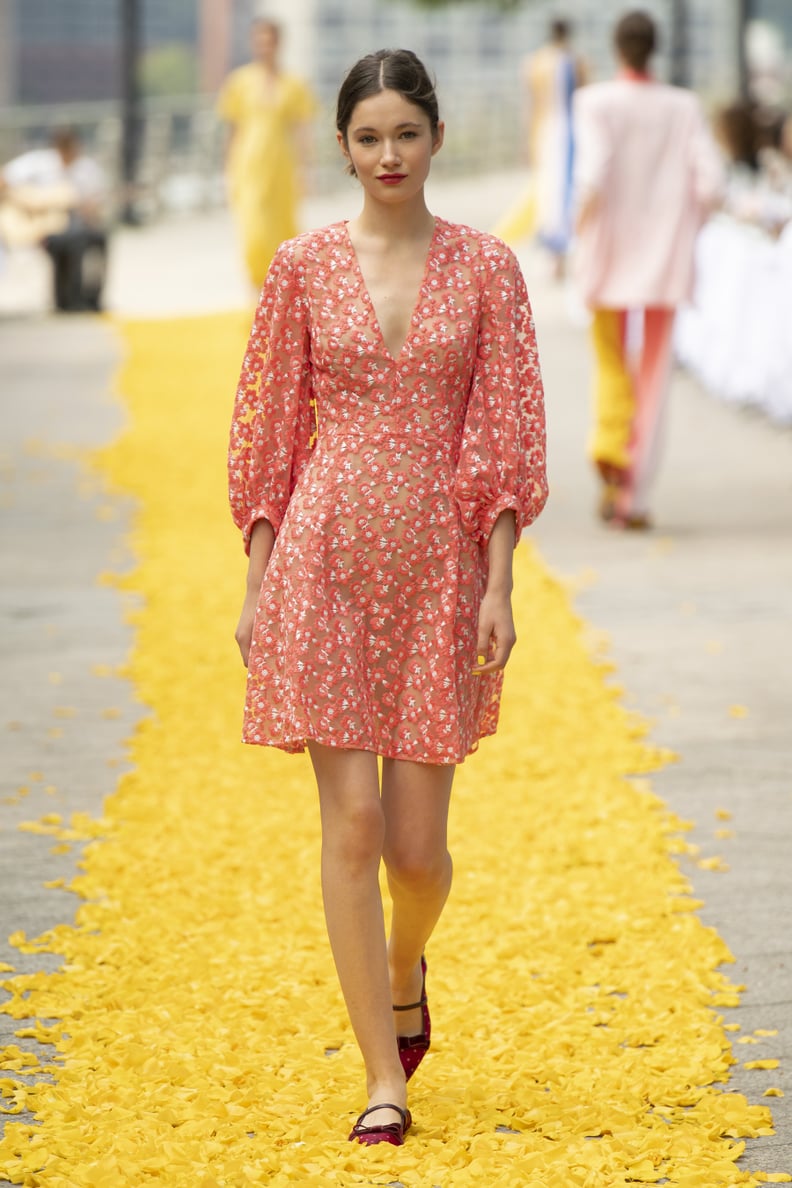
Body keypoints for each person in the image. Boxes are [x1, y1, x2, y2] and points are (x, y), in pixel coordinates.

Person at [228, 49, 548, 1146]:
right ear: (343, 146)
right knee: (352, 823)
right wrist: (259, 581)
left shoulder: (488, 269)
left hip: (439, 571)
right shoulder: (302, 267)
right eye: (367, 137)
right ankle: (382, 1072)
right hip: (324, 558)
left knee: (417, 853)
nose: (387, 156)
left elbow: (505, 430)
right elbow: (268, 430)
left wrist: (500, 581)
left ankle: (408, 961)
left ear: (438, 139)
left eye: (405, 134)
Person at [572, 10, 723, 529]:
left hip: (608, 255)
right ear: (654, 48)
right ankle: (632, 497)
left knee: (610, 360)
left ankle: (610, 442)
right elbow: (712, 184)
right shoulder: (683, 106)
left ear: (617, 49)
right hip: (664, 262)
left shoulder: (593, 102)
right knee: (655, 377)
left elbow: (592, 174)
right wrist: (684, 225)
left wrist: (578, 230)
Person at [217, 17, 317, 290]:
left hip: (282, 166)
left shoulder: (294, 84)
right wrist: (226, 172)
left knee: (284, 227)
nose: (265, 47)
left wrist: (305, 170)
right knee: (253, 230)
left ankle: (284, 291)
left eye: (269, 41)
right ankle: (256, 292)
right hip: (247, 165)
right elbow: (232, 129)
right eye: (259, 41)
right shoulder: (239, 81)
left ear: (279, 43)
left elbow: (302, 130)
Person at [0, 128, 108, 312]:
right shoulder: (38, 163)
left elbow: (94, 203)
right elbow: (4, 179)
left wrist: (87, 210)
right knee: (73, 239)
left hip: (71, 223)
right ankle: (68, 300)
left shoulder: (87, 169)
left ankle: (89, 298)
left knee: (96, 237)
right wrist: (29, 201)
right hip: (42, 228)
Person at [521, 17, 586, 277]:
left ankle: (554, 254)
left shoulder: (535, 62)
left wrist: (526, 140)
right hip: (569, 130)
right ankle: (560, 252)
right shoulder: (576, 61)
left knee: (549, 192)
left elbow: (530, 105)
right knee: (564, 192)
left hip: (545, 130)